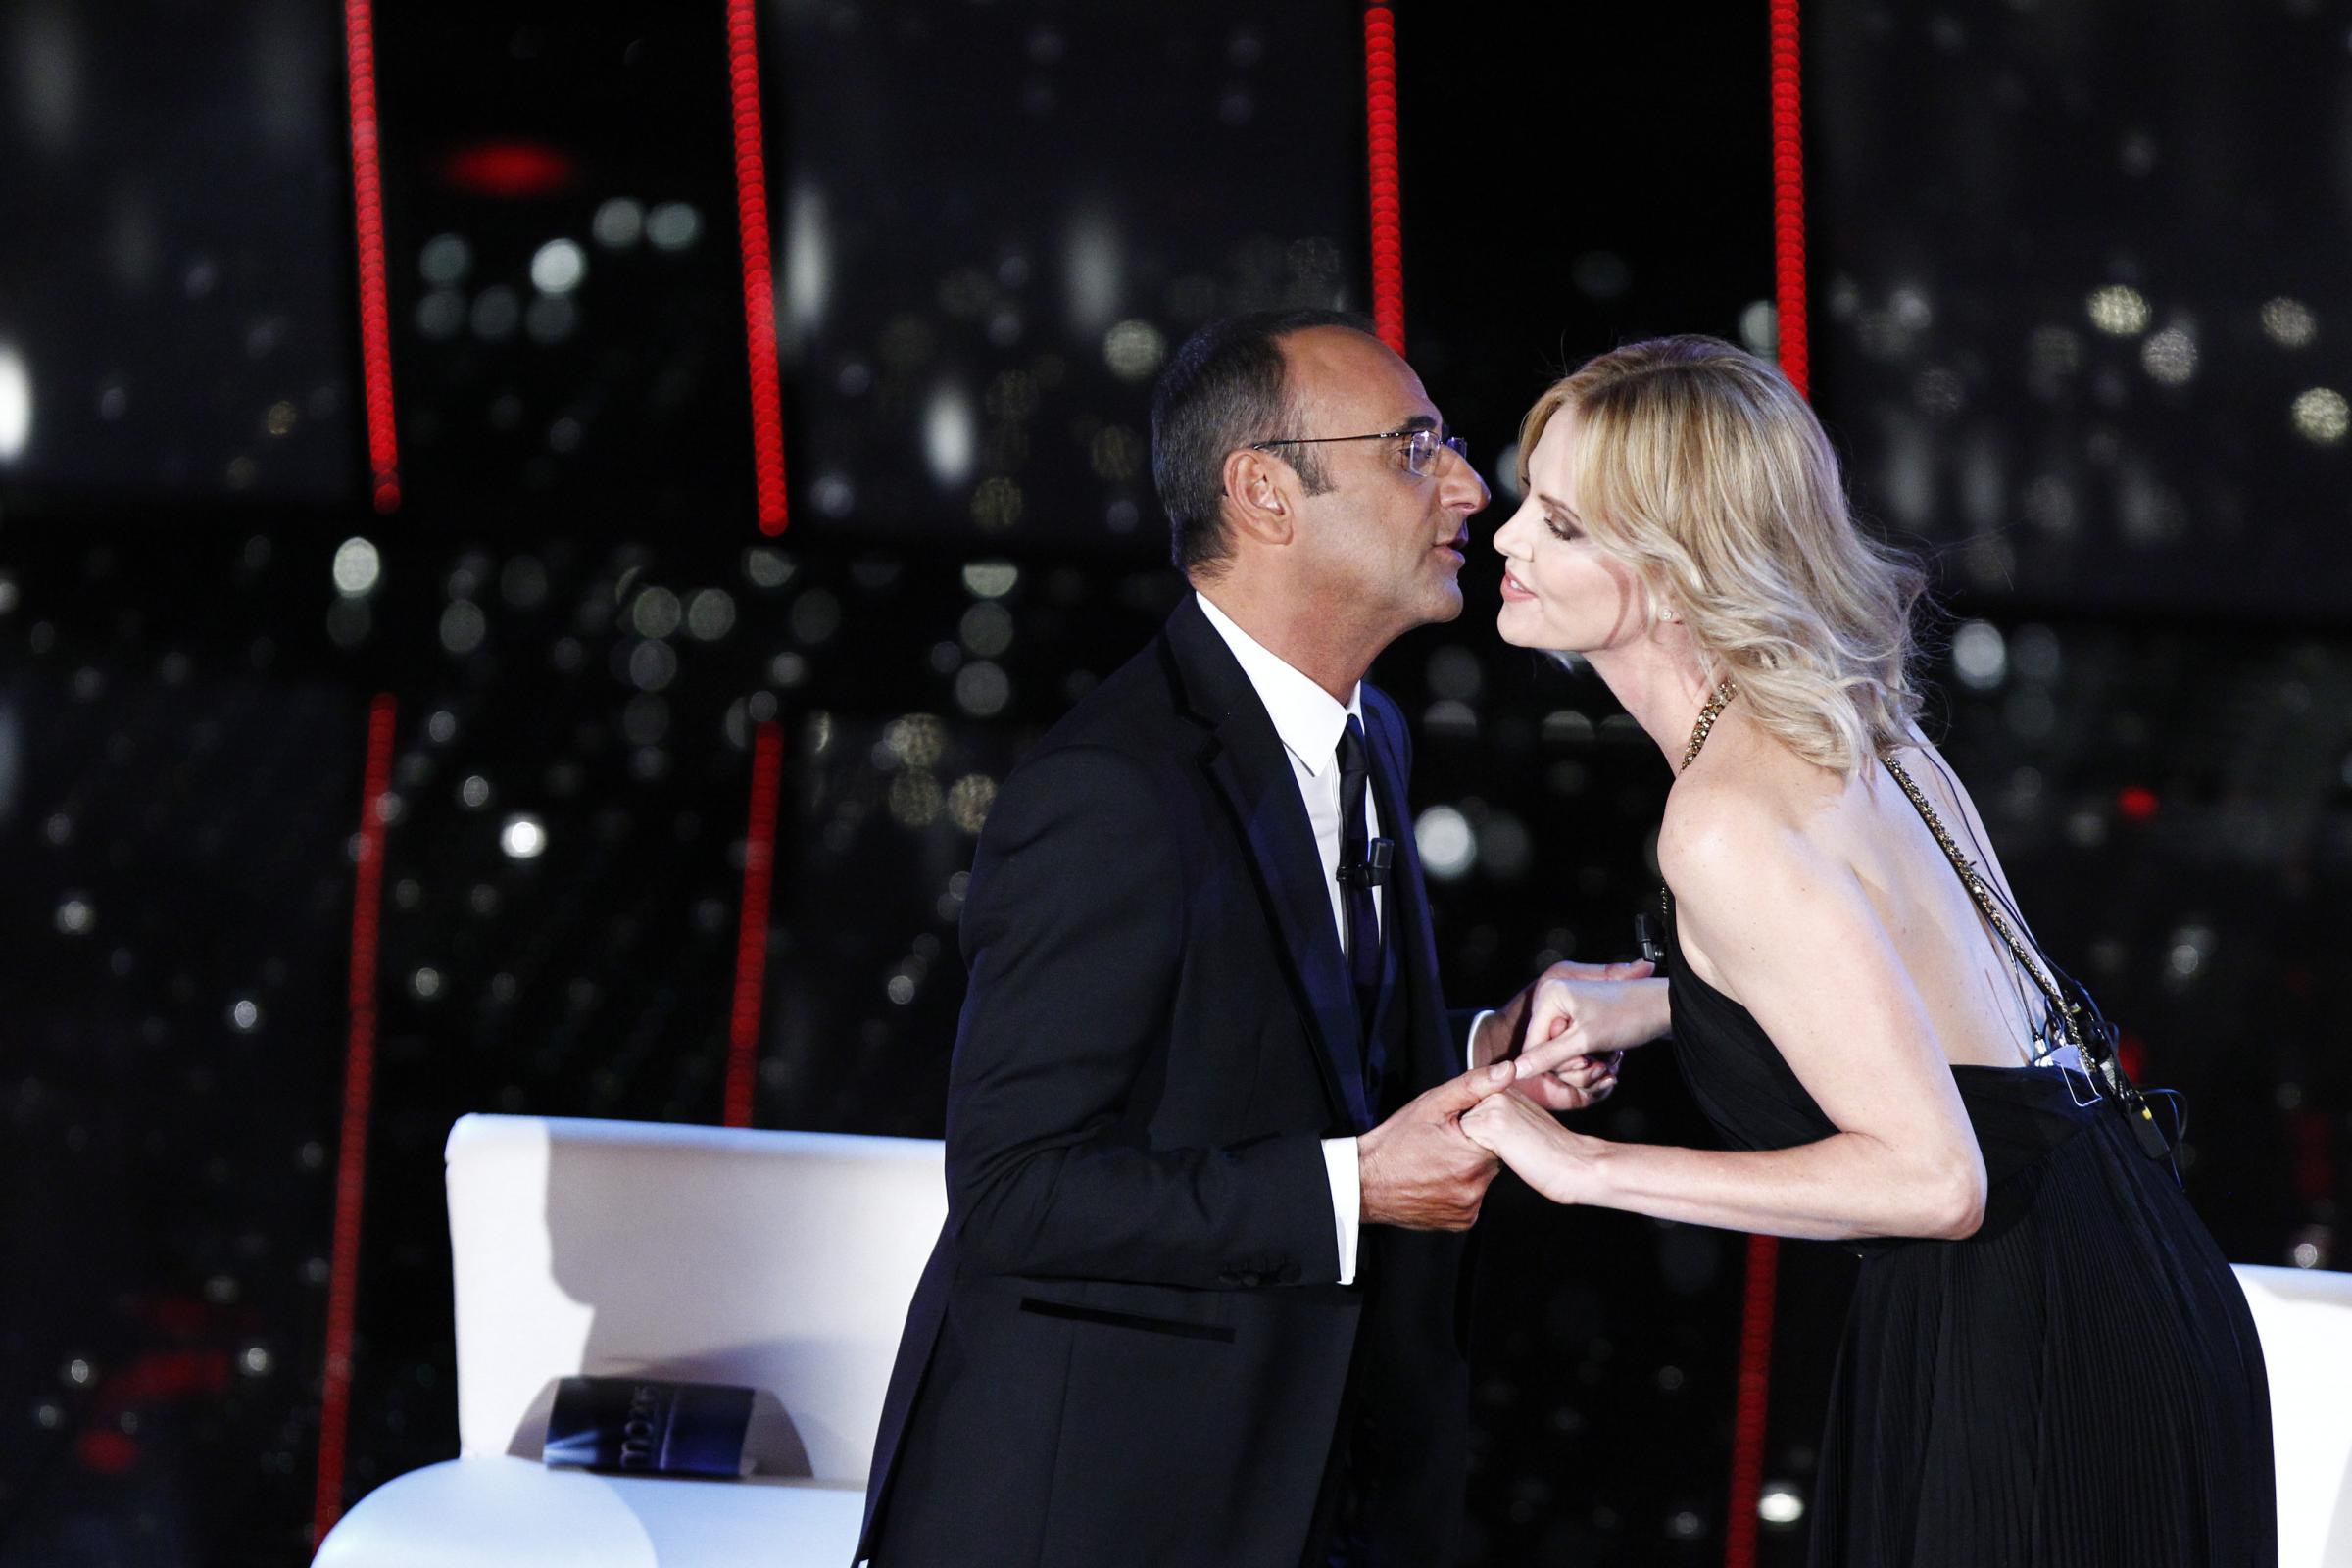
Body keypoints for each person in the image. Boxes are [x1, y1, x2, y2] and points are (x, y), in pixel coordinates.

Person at [1458, 334, 2277, 1565]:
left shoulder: (1723, 818)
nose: (1510, 539)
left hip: (2020, 1349)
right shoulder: (1854, 720)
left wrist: (1583, 1168)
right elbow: (1931, 1006)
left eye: (1562, 524)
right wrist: (1666, 1002)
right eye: (1530, 500)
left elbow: (1935, 1180)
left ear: (1679, 573)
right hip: (2134, 1279)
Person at [856, 310, 1638, 1568]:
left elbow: (1297, 1054)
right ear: (1265, 491)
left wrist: (1486, 1050)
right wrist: (1353, 1190)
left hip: (1307, 1477)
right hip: (1105, 1508)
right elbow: (1014, 1189)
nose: (1467, 486)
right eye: (1415, 448)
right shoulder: (1109, 790)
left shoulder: (1371, 733)